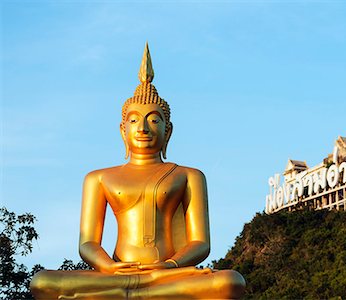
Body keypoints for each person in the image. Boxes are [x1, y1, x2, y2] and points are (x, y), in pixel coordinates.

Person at [30, 43, 246, 299]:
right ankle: (129, 291)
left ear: (169, 131)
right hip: (116, 271)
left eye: (154, 119)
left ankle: (124, 294)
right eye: (134, 120)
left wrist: (169, 266)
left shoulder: (188, 175)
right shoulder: (99, 178)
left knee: (230, 282)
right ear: (123, 130)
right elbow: (88, 243)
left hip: (166, 273)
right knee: (42, 282)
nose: (143, 128)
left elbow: (200, 243)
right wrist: (108, 266)